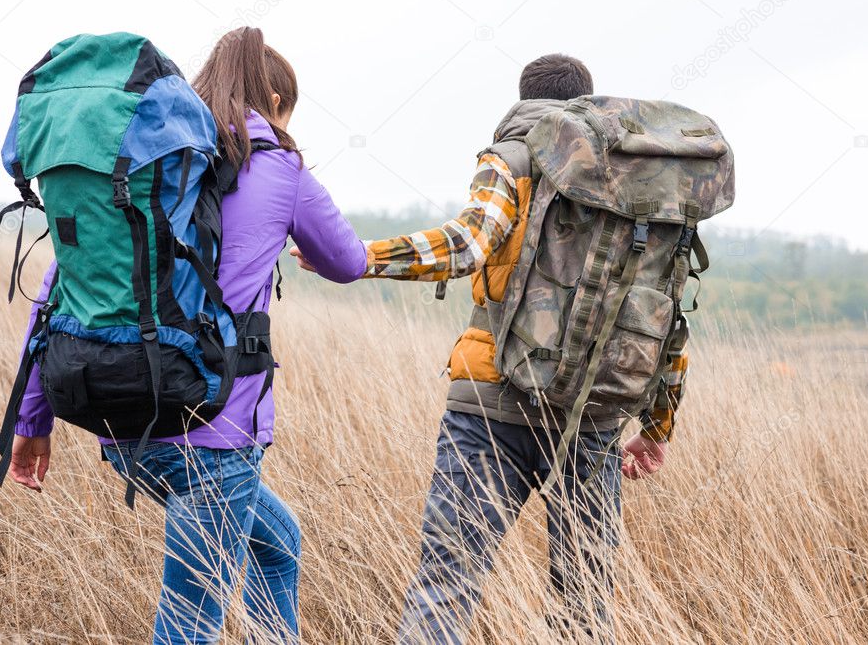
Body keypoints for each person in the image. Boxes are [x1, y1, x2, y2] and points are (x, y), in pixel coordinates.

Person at [293, 53, 690, 642]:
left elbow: (467, 245)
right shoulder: (636, 181)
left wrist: (360, 258)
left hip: (491, 401)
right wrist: (658, 427)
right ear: (587, 100)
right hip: (596, 409)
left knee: (447, 584)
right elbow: (664, 308)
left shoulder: (514, 158)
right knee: (584, 601)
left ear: (523, 98)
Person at [6, 29, 368, 644]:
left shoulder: (152, 167)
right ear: (275, 99)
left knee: (278, 546)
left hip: (130, 423)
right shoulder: (278, 166)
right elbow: (349, 260)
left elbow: (57, 292)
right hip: (213, 429)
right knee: (189, 622)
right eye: (287, 113)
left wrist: (30, 421)